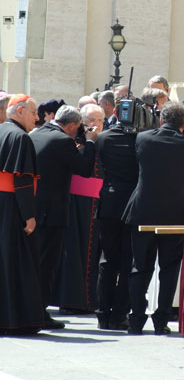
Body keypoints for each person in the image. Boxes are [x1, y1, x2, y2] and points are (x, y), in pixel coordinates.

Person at [123, 101, 184, 335]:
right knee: (169, 268)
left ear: (161, 119)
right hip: (175, 214)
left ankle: (136, 319)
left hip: (143, 210)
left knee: (140, 266)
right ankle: (161, 321)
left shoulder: (143, 138)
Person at [30, 105, 98, 329]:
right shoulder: (63, 141)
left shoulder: (36, 133)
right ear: (71, 126)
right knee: (47, 265)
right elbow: (85, 169)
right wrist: (90, 141)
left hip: (32, 209)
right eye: (77, 128)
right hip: (52, 213)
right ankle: (40, 313)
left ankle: (31, 309)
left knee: (33, 262)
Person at [51, 103, 105, 314]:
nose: (96, 125)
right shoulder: (71, 142)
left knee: (91, 254)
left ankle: (89, 299)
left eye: (99, 120)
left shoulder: (103, 140)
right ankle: (73, 300)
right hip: (76, 203)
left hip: (95, 202)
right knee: (75, 252)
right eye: (91, 121)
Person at [0, 94, 44, 335]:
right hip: (13, 207)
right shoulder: (20, 138)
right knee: (16, 263)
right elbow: (22, 179)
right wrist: (29, 215)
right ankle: (17, 320)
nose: (37, 117)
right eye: (33, 111)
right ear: (19, 112)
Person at [94, 98, 139, 330]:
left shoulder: (103, 138)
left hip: (109, 203)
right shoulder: (141, 139)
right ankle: (119, 314)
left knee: (107, 261)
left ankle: (103, 313)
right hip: (131, 204)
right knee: (127, 261)